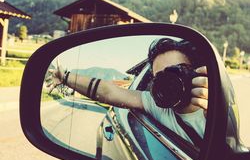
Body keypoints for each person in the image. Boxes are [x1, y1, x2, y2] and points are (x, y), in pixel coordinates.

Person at [47, 38, 208, 145]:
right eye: (159, 77)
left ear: (196, 72)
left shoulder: (213, 109)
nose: (168, 82)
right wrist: (65, 77)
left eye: (176, 71)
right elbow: (108, 91)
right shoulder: (155, 104)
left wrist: (217, 110)